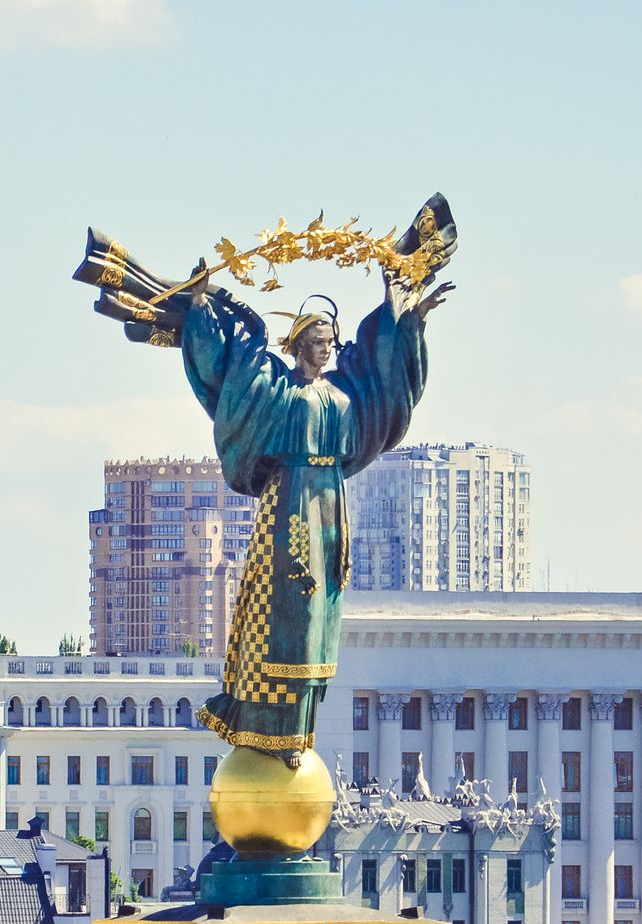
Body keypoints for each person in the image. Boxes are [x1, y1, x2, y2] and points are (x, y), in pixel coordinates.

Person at [180, 265, 454, 762]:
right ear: (300, 343)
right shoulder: (279, 392)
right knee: (287, 615)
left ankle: (301, 732)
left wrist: (408, 319)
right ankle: (271, 727)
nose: (327, 347)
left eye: (331, 340)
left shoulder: (345, 392)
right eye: (318, 340)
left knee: (320, 621)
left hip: (330, 510)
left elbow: (390, 383)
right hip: (288, 506)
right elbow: (228, 372)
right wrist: (201, 307)